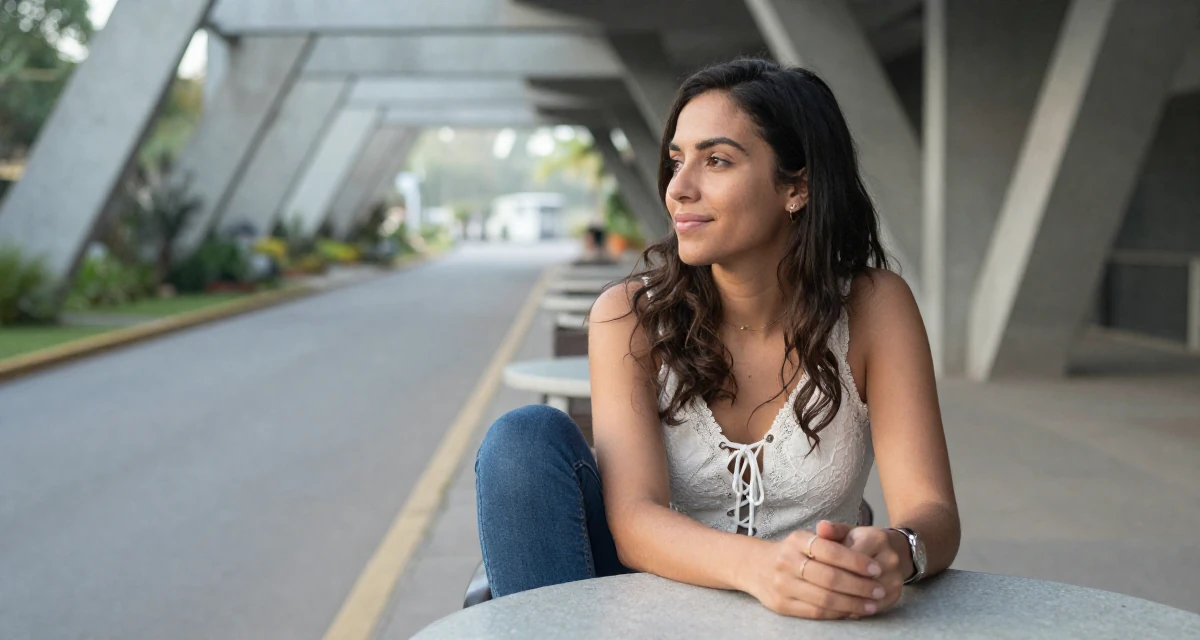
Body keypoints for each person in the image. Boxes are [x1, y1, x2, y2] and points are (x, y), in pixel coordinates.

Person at [475, 58, 959, 620]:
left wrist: (897, 551)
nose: (679, 188)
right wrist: (763, 569)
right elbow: (633, 519)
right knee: (521, 440)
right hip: (644, 611)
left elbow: (932, 511)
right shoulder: (630, 317)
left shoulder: (874, 307)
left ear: (796, 187)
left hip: (811, 615)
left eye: (717, 161)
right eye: (677, 161)